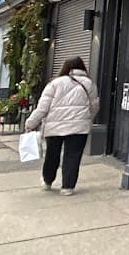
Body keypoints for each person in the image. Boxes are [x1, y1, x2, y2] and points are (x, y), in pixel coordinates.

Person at [24, 57, 100, 194]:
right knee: (73, 156)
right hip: (79, 127)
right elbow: (94, 106)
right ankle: (67, 187)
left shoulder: (55, 83)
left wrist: (31, 123)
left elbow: (42, 107)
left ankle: (47, 181)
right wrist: (87, 119)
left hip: (54, 127)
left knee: (52, 155)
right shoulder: (89, 84)